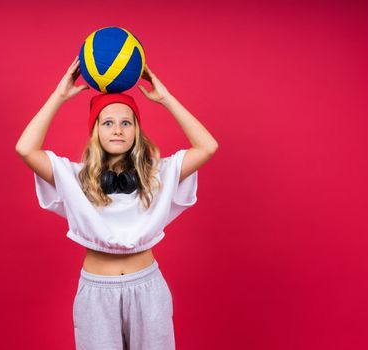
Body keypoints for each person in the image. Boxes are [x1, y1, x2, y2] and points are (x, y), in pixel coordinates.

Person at [15, 56, 218, 350]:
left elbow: (208, 146)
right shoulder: (74, 178)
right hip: (97, 294)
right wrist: (58, 96)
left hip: (148, 290)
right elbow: (25, 148)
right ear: (96, 130)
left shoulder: (158, 175)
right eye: (108, 123)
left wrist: (166, 99)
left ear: (137, 130)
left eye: (126, 122)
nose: (118, 130)